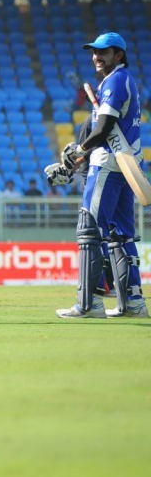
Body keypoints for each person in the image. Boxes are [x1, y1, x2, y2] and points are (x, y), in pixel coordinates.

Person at [55, 32, 147, 319]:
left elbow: (104, 126)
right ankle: (133, 302)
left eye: (104, 52)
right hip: (127, 164)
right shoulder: (121, 80)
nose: (97, 56)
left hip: (107, 164)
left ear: (119, 55)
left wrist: (80, 150)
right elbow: (102, 128)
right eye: (94, 52)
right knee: (121, 235)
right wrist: (81, 154)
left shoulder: (116, 81)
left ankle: (89, 303)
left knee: (90, 229)